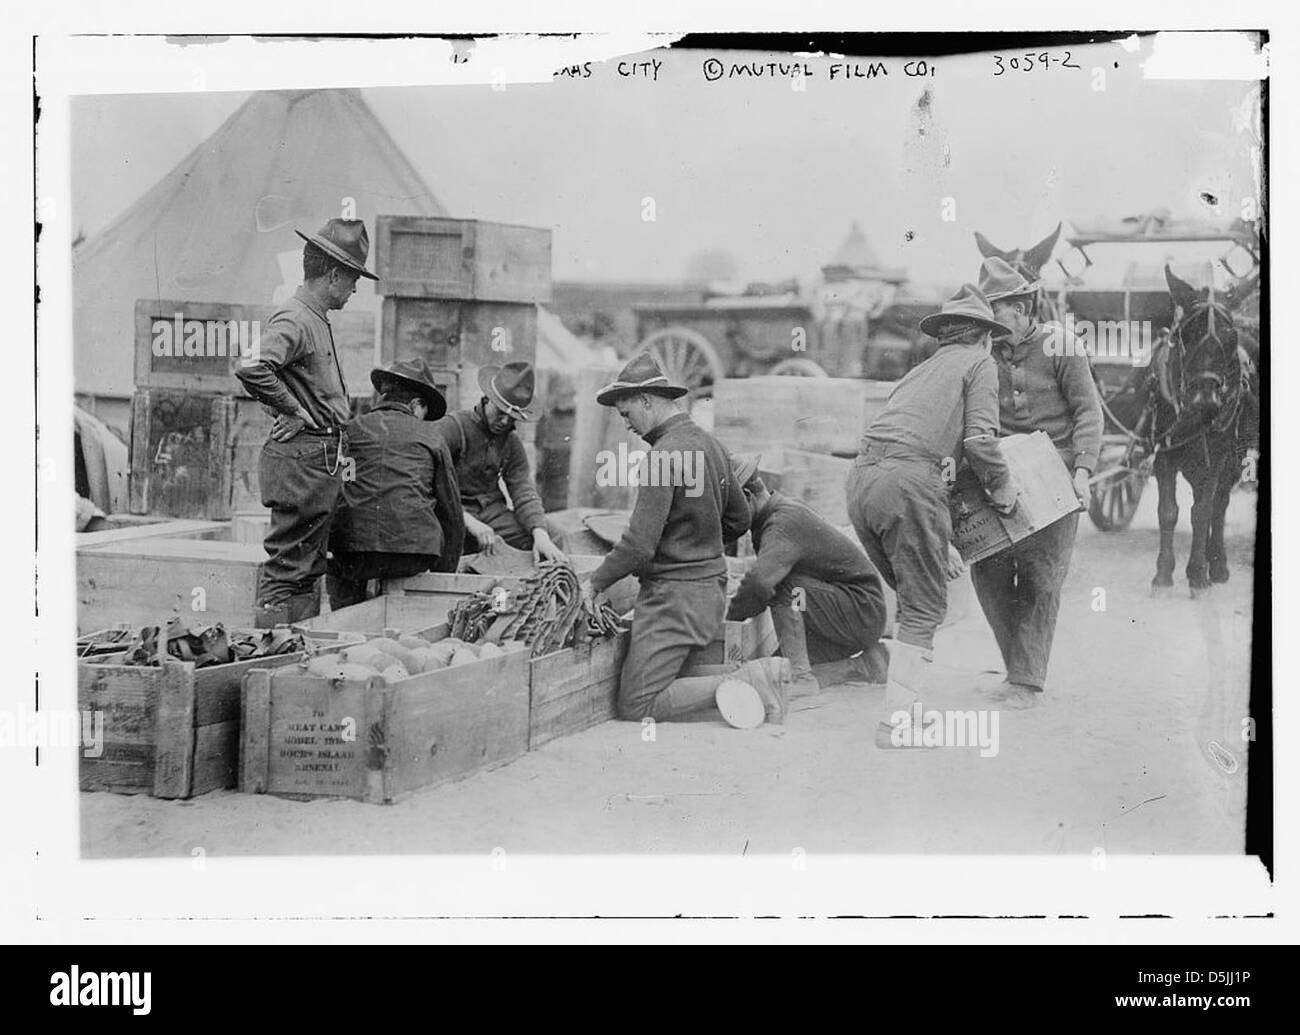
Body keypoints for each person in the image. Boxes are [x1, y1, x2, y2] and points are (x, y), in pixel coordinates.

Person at [844, 284, 1019, 742]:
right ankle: (895, 723)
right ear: (983, 336)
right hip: (906, 484)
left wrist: (937, 537)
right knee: (925, 606)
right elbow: (981, 442)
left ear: (944, 335)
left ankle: (909, 704)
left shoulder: (920, 372)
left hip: (862, 481)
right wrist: (1003, 491)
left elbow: (915, 442)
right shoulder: (982, 364)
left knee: (911, 594)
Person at [580, 353, 790, 728]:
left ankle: (746, 681)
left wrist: (594, 583)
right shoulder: (713, 446)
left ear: (646, 400)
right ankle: (746, 684)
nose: (627, 425)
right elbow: (740, 518)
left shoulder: (662, 457)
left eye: (627, 414)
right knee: (674, 681)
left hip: (673, 602)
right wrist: (699, 542)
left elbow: (639, 545)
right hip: (710, 593)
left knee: (637, 703)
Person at [970, 257, 1102, 707]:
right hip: (1001, 476)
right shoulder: (980, 355)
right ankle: (1017, 670)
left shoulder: (1063, 346)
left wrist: (1083, 472)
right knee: (986, 572)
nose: (988, 319)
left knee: (1042, 577)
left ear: (1023, 307)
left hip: (1057, 476)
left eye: (997, 309)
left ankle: (1026, 681)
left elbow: (1088, 413)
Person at [234, 218, 375, 627]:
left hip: (315, 461)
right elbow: (254, 367)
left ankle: (294, 654)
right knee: (288, 571)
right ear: (333, 275)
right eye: (352, 281)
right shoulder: (296, 318)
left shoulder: (313, 318)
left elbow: (281, 376)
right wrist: (292, 410)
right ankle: (268, 658)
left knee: (307, 568)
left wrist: (286, 405)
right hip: (303, 462)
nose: (353, 290)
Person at [726, 453, 890, 696]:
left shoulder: (782, 523)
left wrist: (729, 622)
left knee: (780, 584)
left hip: (861, 611)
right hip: (848, 614)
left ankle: (802, 678)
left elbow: (760, 583)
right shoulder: (778, 513)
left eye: (731, 512)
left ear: (748, 497)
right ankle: (864, 664)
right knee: (776, 668)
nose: (730, 521)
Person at [326, 358, 466, 609]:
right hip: (412, 555)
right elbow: (451, 512)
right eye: (425, 412)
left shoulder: (349, 431)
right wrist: (444, 574)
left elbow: (339, 488)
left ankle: (343, 618)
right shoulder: (432, 437)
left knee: (344, 582)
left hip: (355, 555)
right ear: (415, 404)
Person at [431, 361, 567, 566]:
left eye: (512, 417)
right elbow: (430, 484)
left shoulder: (510, 441)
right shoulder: (453, 427)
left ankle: (540, 590)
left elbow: (522, 489)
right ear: (487, 399)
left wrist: (540, 534)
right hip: (452, 510)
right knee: (448, 545)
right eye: (500, 412)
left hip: (492, 513)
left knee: (553, 535)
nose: (504, 422)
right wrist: (467, 521)